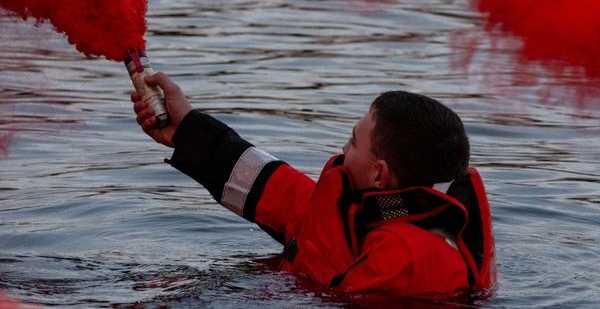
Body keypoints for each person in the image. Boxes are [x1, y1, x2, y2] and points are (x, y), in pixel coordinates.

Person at [131, 72, 497, 300]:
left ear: (379, 175)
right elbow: (286, 197)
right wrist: (190, 132)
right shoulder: (389, 214)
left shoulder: (404, 261)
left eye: (353, 142)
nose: (343, 150)